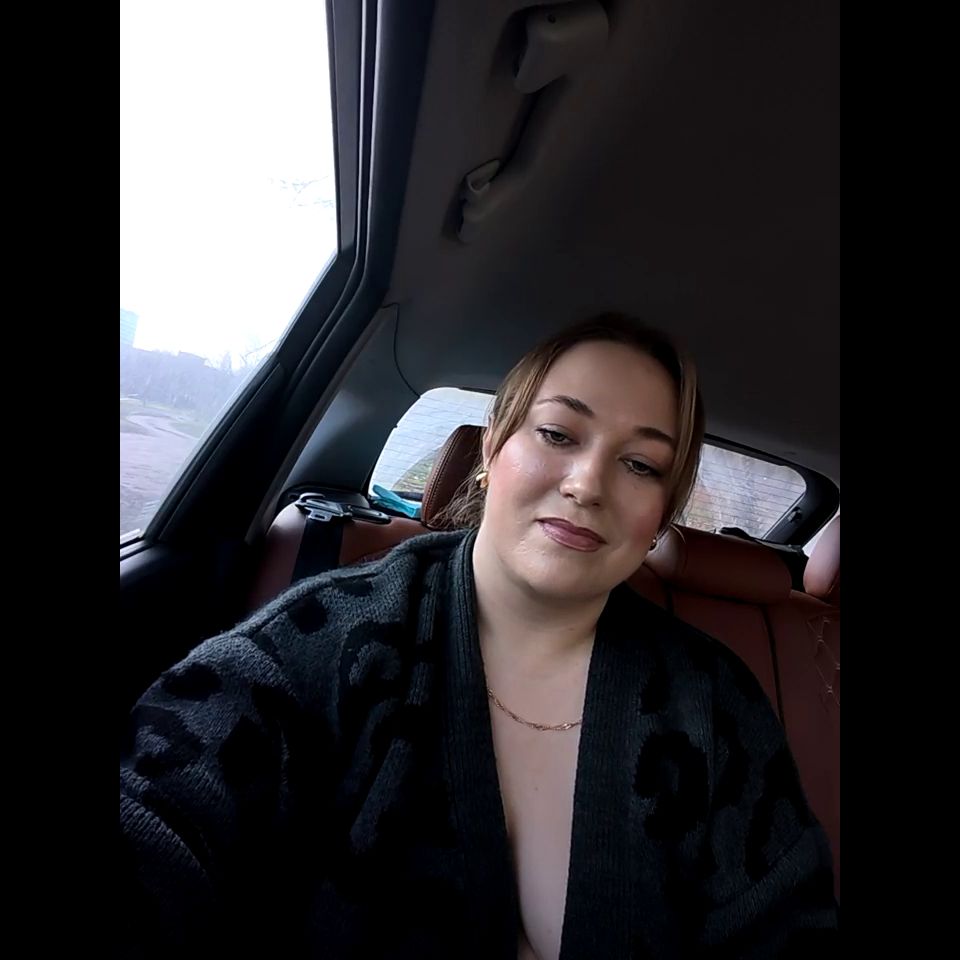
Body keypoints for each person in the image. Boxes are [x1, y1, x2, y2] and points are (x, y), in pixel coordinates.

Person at [120, 314, 838, 959]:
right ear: (493, 445)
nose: (588, 484)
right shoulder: (322, 642)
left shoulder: (712, 702)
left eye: (641, 465)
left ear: (662, 513)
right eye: (558, 434)